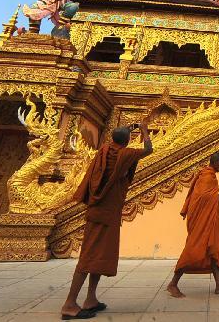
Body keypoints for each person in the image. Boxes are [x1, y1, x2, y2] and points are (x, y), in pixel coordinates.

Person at [60, 123, 152, 320]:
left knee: (98, 257)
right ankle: (69, 303)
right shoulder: (125, 154)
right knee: (88, 258)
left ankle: (90, 298)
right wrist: (143, 131)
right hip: (105, 212)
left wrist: (124, 131)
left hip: (101, 210)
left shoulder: (104, 151)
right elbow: (148, 149)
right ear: (127, 141)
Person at [166, 152, 219, 298]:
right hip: (201, 221)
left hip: (210, 220)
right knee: (193, 249)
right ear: (214, 162)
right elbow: (202, 197)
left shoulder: (210, 176)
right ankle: (173, 283)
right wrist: (217, 197)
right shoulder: (207, 177)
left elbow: (203, 196)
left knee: (214, 249)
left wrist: (214, 198)